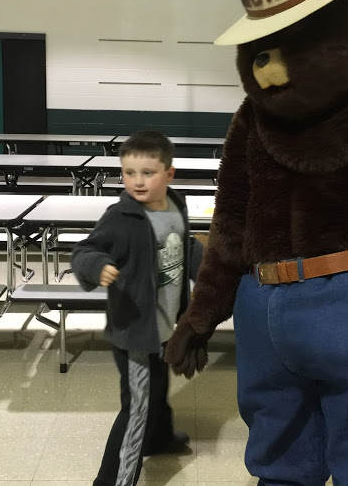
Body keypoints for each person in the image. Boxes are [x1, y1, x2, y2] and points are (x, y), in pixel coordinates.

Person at [70, 130, 204, 486]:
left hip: (165, 326)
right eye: (129, 173)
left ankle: (159, 439)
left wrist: (210, 269)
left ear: (169, 174)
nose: (137, 181)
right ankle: (113, 480)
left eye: (148, 172)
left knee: (158, 388)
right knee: (136, 409)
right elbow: (84, 251)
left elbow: (183, 245)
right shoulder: (122, 217)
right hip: (136, 332)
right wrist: (96, 265)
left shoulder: (176, 204)